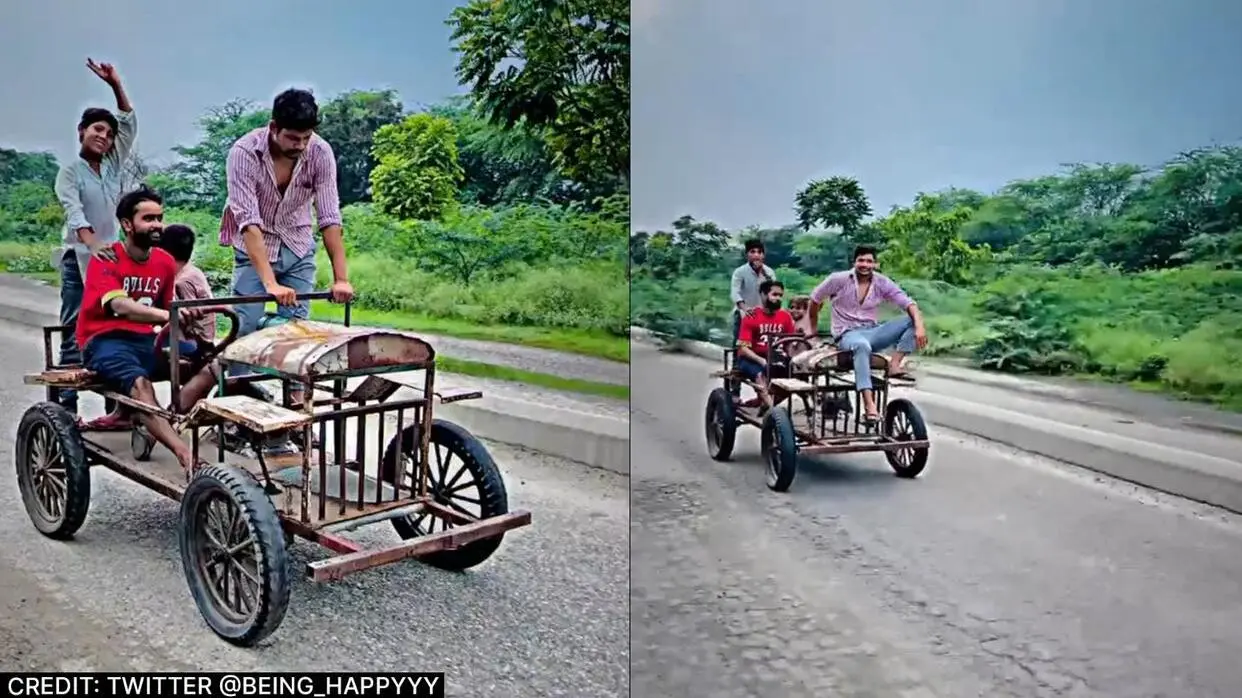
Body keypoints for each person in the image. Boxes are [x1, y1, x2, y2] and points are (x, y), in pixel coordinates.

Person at [220, 87, 353, 454]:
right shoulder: (244, 153)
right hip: (253, 249)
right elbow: (248, 222)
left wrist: (341, 278)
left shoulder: (320, 153)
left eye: (306, 137)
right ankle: (235, 410)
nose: (300, 145)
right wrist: (269, 283)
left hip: (297, 244)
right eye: (293, 138)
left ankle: (295, 413)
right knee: (244, 327)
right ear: (274, 127)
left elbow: (330, 217)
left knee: (297, 332)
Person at [78, 188, 217, 478]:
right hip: (104, 340)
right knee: (141, 385)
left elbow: (169, 308)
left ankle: (158, 424)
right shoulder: (107, 258)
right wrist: (169, 316)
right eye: (148, 219)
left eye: (159, 218)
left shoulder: (164, 261)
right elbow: (120, 306)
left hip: (146, 339)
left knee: (213, 364)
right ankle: (185, 454)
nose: (157, 225)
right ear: (127, 224)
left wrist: (189, 322)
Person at [53, 58, 138, 425]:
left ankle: (114, 409)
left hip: (110, 261)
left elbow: (129, 123)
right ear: (81, 132)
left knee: (112, 329)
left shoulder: (114, 165)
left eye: (108, 133)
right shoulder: (69, 173)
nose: (103, 136)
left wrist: (116, 84)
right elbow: (75, 213)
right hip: (78, 258)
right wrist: (91, 245)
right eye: (97, 130)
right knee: (74, 329)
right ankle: (66, 409)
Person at [806, 245, 928, 427]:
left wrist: (920, 328)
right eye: (861, 260)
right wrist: (813, 329)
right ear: (854, 262)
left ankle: (894, 365)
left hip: (872, 331)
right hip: (847, 334)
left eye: (869, 261)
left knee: (912, 320)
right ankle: (869, 405)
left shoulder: (882, 282)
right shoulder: (838, 279)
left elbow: (908, 303)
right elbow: (815, 299)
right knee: (861, 345)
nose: (865, 265)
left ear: (875, 264)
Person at [735, 280, 797, 411]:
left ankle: (767, 404)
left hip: (776, 357)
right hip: (751, 358)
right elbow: (743, 348)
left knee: (797, 375)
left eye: (780, 295)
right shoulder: (751, 316)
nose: (778, 298)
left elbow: (789, 343)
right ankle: (773, 412)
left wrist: (793, 358)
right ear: (763, 295)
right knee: (760, 375)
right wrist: (762, 361)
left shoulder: (785, 317)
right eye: (774, 294)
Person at [154, 223, 215, 356]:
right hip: (204, 339)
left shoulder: (181, 282)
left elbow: (187, 320)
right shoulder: (193, 271)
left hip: (196, 342)